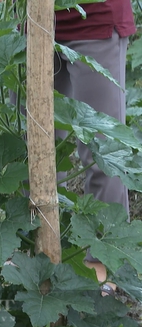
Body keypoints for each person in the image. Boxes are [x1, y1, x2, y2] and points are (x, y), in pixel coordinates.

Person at [54, 0, 136, 295]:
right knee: (33, 146)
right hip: (36, 25)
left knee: (103, 151)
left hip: (95, 20)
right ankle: (42, 255)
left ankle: (102, 266)